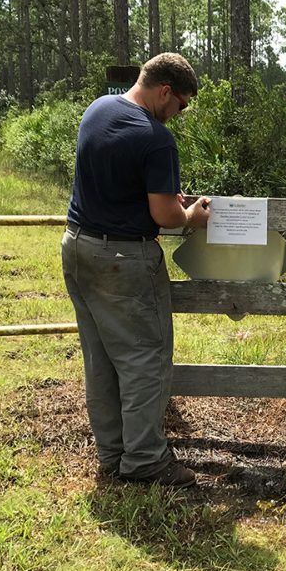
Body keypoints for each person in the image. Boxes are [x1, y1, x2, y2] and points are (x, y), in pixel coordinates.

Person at [62, 53, 211, 487]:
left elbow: (117, 185)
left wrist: (164, 199)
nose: (179, 114)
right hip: (124, 260)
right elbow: (166, 216)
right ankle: (145, 458)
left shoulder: (98, 109)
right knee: (146, 357)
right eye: (180, 105)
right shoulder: (156, 138)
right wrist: (192, 216)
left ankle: (112, 454)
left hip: (77, 246)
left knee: (101, 359)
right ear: (165, 91)